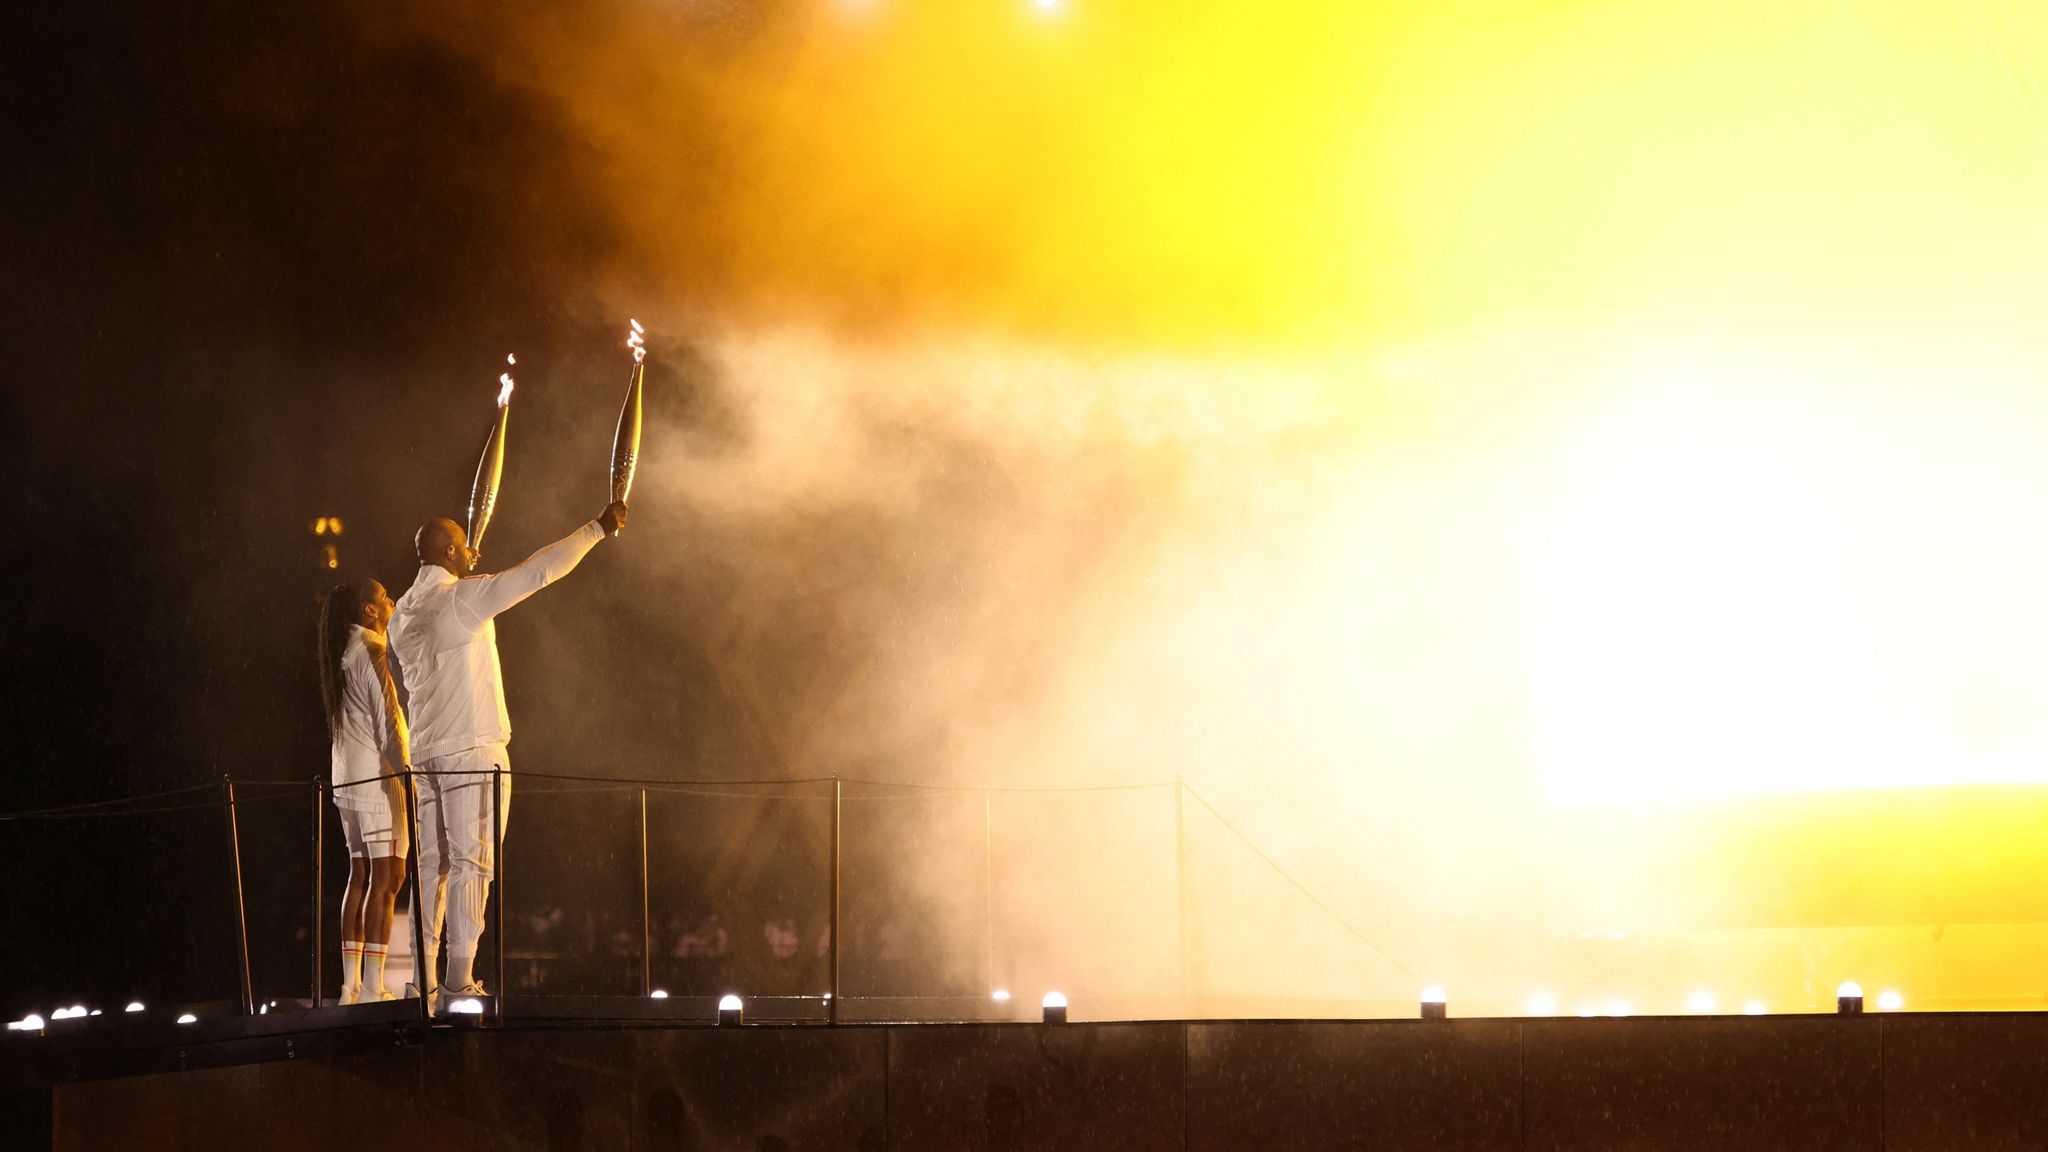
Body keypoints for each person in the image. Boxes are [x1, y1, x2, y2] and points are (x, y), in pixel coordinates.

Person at [389, 502, 627, 1011]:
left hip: (426, 752)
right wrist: (597, 528)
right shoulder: (462, 600)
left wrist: (463, 570)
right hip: (472, 749)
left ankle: (423, 983)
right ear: (452, 551)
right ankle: (458, 983)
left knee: (432, 867)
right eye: (460, 545)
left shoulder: (402, 614)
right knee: (473, 864)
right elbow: (538, 571)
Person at [316, 579, 412, 1005]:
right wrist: (409, 769)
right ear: (370, 611)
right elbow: (388, 716)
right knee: (389, 876)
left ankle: (351, 987)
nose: (392, 601)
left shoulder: (342, 650)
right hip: (377, 777)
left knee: (360, 874)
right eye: (385, 597)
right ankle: (375, 987)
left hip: (346, 775)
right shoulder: (371, 650)